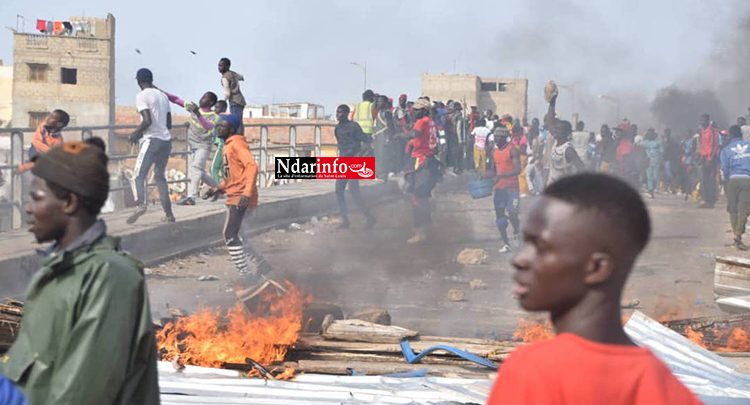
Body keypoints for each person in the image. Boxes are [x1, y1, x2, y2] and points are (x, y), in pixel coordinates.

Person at [487, 173, 701, 405]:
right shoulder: (670, 390)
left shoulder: (531, 370)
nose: (519, 259)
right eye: (525, 243)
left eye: (540, 247)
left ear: (597, 268)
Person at [0, 141, 160, 404]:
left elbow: (82, 394)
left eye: (37, 198)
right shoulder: (58, 269)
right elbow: (28, 366)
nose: (28, 208)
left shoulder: (109, 277)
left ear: (70, 203)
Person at [205, 114, 272, 280]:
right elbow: (233, 176)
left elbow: (251, 166)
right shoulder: (228, 146)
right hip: (236, 193)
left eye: (223, 126)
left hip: (240, 196)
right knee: (238, 235)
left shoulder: (236, 143)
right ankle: (261, 263)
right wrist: (218, 189)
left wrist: (246, 193)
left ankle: (246, 274)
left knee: (230, 235)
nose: (218, 128)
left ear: (231, 129)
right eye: (218, 125)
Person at [127, 68, 175, 224]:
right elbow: (168, 123)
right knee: (160, 177)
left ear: (139, 81)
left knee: (137, 176)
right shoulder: (163, 96)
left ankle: (141, 204)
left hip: (151, 140)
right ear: (151, 79)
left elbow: (147, 121)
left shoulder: (142, 96)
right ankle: (169, 215)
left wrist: (135, 133)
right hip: (166, 141)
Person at [165, 91, 220, 205]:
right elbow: (176, 99)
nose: (201, 99)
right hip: (192, 146)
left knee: (195, 169)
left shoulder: (214, 116)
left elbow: (208, 126)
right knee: (199, 172)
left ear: (210, 102)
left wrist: (198, 114)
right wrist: (160, 91)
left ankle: (191, 197)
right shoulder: (193, 107)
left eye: (204, 97)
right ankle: (220, 188)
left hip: (203, 146)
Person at [333, 104, 376, 229]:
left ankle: (368, 216)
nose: (338, 114)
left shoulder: (354, 126)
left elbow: (364, 139)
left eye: (340, 112)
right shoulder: (337, 128)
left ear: (346, 113)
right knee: (339, 190)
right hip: (343, 162)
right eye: (337, 112)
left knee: (353, 191)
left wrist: (369, 139)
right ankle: (345, 219)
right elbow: (340, 143)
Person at [404, 98, 440, 244]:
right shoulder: (431, 122)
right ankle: (425, 227)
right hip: (429, 159)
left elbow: (415, 134)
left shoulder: (422, 121)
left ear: (423, 110)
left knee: (417, 196)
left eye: (417, 109)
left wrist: (400, 135)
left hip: (421, 160)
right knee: (421, 196)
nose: (414, 111)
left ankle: (421, 231)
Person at [486, 127, 521, 253]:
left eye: (498, 137)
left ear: (504, 137)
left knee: (513, 214)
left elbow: (518, 170)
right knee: (500, 217)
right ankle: (506, 243)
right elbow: (492, 170)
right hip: (499, 189)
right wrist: (485, 176)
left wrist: (501, 176)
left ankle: (517, 231)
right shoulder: (494, 152)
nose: (496, 139)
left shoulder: (512, 150)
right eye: (495, 136)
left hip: (512, 189)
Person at [720, 125, 750, 250]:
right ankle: (738, 235)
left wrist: (727, 180)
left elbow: (725, 168)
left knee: (733, 209)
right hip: (747, 180)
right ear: (741, 135)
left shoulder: (726, 150)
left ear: (730, 136)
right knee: (744, 209)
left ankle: (736, 235)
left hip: (732, 180)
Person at [218, 57, 246, 134]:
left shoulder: (224, 78)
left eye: (221, 66)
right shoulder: (232, 73)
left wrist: (223, 102)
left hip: (234, 101)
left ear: (227, 66)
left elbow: (227, 93)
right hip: (240, 100)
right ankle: (240, 137)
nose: (219, 68)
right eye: (219, 66)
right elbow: (242, 77)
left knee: (236, 122)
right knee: (239, 121)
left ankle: (238, 138)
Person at [697, 113, 720, 208]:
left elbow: (714, 145)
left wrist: (710, 158)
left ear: (708, 120)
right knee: (704, 180)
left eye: (704, 120)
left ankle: (711, 201)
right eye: (701, 120)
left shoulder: (712, 131)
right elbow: (702, 145)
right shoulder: (702, 131)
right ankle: (705, 200)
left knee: (710, 180)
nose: (702, 121)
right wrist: (701, 157)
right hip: (704, 157)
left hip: (710, 158)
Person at [373, 95, 396, 179]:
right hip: (378, 138)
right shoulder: (378, 112)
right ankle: (378, 174)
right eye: (378, 101)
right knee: (378, 156)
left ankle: (383, 175)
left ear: (385, 103)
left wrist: (388, 138)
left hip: (384, 137)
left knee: (383, 157)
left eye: (381, 101)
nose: (379, 103)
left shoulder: (387, 113)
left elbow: (390, 126)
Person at [211, 100, 229, 184]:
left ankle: (217, 187)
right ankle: (228, 187)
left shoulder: (219, 118)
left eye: (217, 107)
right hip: (225, 145)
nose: (215, 109)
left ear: (224, 108)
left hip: (222, 145)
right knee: (223, 168)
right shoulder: (227, 118)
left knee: (214, 168)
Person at [642, 128, 663, 198]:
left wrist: (661, 161)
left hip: (656, 162)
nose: (650, 135)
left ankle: (652, 189)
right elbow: (639, 149)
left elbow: (661, 152)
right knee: (649, 177)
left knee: (655, 176)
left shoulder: (658, 143)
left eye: (651, 133)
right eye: (649, 134)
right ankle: (650, 190)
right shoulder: (644, 142)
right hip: (647, 162)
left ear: (654, 135)